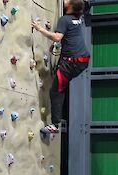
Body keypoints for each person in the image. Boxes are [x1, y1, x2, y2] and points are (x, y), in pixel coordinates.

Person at [32, 0, 90, 134]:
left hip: (72, 62)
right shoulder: (77, 18)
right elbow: (69, 37)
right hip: (81, 60)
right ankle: (56, 122)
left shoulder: (65, 19)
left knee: (56, 90)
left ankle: (55, 125)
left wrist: (40, 29)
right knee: (60, 83)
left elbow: (58, 37)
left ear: (69, 7)